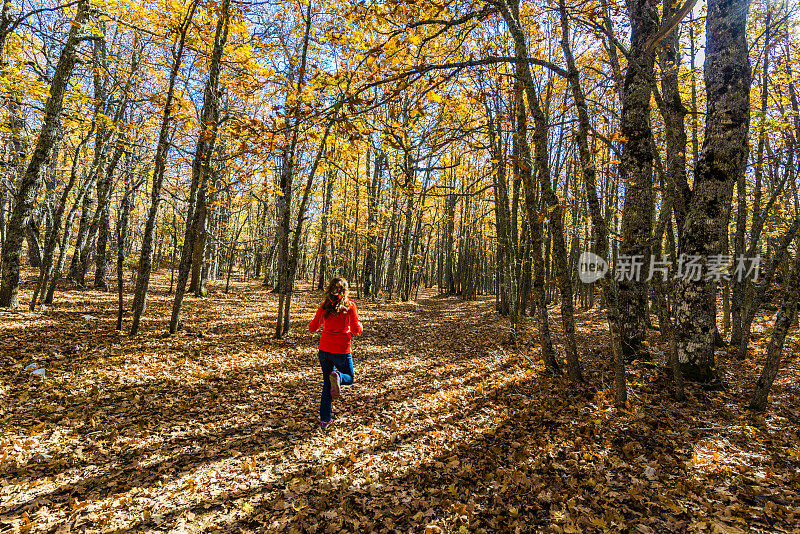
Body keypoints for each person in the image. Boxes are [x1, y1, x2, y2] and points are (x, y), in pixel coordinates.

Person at [309, 277, 362, 429]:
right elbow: (356, 330)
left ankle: (325, 420)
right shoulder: (350, 306)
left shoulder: (324, 306)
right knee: (350, 377)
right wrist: (360, 326)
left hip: (324, 350)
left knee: (327, 384)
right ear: (345, 290)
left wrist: (317, 323)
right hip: (341, 350)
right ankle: (338, 376)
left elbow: (313, 328)